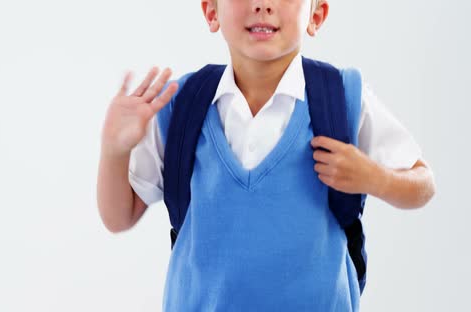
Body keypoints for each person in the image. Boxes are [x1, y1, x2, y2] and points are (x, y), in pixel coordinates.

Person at [97, 0, 436, 310]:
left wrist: (374, 178)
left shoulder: (342, 97)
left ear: (316, 15)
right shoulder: (182, 104)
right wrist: (115, 150)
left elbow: (423, 183)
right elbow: (119, 216)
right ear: (211, 11)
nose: (262, 5)